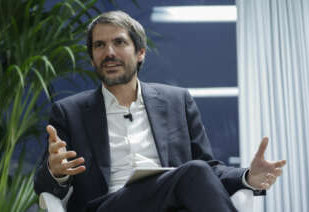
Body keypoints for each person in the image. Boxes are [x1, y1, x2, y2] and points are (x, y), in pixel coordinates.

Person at [34, 10, 286, 212]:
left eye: (119, 42)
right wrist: (55, 171)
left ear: (140, 52)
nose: (108, 52)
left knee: (197, 171)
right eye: (99, 45)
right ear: (92, 58)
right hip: (107, 205)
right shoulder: (69, 112)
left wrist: (248, 177)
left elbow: (210, 169)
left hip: (172, 203)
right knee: (194, 170)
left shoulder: (177, 101)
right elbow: (42, 186)